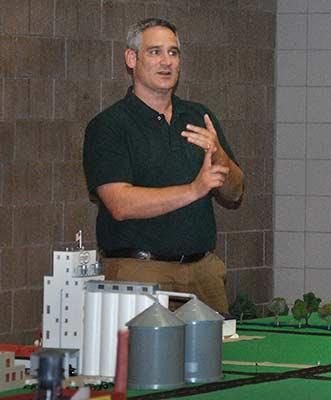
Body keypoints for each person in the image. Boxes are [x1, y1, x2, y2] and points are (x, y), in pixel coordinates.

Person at [83, 18, 244, 314]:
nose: (166, 62)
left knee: (214, 360)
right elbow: (120, 203)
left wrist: (218, 152)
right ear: (132, 59)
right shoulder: (109, 126)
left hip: (204, 272)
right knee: (149, 360)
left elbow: (235, 193)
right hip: (140, 272)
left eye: (173, 52)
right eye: (155, 52)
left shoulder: (198, 116)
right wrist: (194, 189)